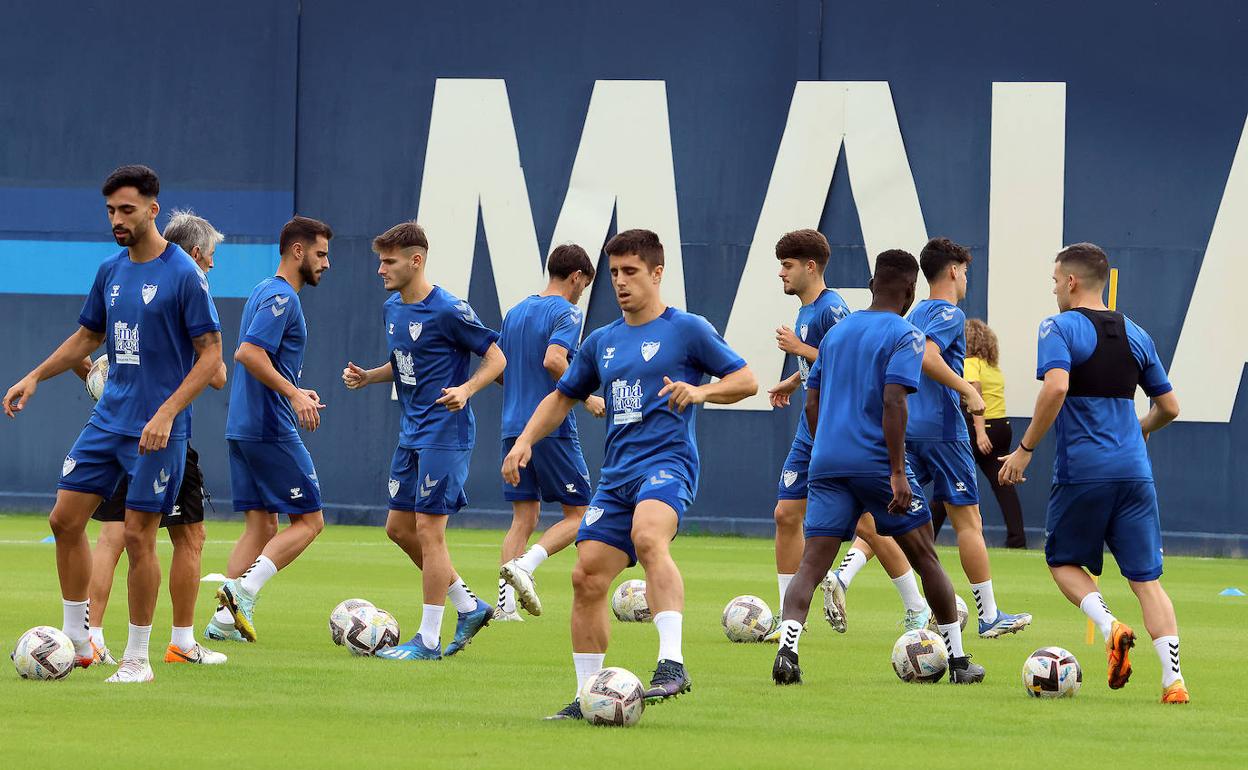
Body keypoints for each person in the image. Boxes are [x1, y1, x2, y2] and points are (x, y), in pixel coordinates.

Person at [502, 229, 757, 719]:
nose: (620, 282)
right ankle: (586, 697)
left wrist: (700, 393)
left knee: (648, 536)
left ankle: (672, 663)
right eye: (614, 273)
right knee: (586, 575)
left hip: (667, 466)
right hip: (616, 477)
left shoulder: (688, 329)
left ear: (657, 273)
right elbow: (562, 397)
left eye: (631, 272)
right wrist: (524, 441)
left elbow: (745, 379)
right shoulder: (602, 341)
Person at [4, 165, 223, 683]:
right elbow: (87, 338)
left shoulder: (184, 274)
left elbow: (211, 356)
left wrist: (167, 413)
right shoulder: (110, 271)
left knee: (139, 537)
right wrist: (35, 376)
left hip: (158, 430)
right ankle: (79, 641)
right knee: (64, 520)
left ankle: (137, 659)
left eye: (127, 210)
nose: (117, 220)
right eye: (110, 211)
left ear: (152, 209)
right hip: (109, 420)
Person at [770, 249, 983, 686]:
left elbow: (812, 399)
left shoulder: (836, 334)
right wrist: (898, 472)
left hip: (827, 463)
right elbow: (893, 401)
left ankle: (787, 651)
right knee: (925, 557)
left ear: (871, 286)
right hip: (876, 466)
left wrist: (825, 445)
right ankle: (959, 662)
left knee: (811, 564)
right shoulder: (904, 334)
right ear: (909, 291)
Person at [999, 242, 1188, 704]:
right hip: (1135, 475)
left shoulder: (1059, 327)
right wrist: (1139, 430)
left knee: (1061, 561)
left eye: (1053, 281)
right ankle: (1173, 683)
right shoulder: (1137, 333)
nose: (1053, 290)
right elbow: (1170, 408)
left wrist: (1024, 449)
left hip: (1084, 471)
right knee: (1147, 581)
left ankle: (1110, 626)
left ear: (1070, 282)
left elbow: (1057, 386)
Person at [342, 221, 504, 660]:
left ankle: (428, 641)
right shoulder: (392, 309)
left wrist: (467, 390)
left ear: (416, 261)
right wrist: (370, 376)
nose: (381, 270)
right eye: (380, 261)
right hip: (411, 431)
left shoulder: (450, 309)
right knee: (398, 528)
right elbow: (405, 363)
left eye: (389, 261)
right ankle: (469, 606)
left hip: (445, 433)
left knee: (430, 532)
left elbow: (497, 356)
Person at [763, 230, 928, 639]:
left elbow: (845, 359)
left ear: (810, 267)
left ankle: (916, 606)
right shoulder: (806, 311)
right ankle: (788, 620)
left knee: (869, 525)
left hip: (838, 430)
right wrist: (792, 381)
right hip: (811, 428)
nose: (781, 273)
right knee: (785, 515)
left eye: (787, 265)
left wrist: (800, 350)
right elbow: (819, 371)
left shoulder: (832, 308)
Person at [81, 210, 229, 665]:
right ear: (198, 254)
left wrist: (98, 377)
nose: (212, 267)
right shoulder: (187, 287)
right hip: (163, 435)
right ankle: (180, 642)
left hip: (116, 423)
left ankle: (90, 638)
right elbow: (219, 374)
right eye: (212, 257)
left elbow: (88, 344)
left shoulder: (125, 280)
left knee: (112, 536)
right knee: (188, 536)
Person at [204, 216, 333, 644]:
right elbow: (248, 353)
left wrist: (297, 388)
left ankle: (222, 623)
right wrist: (293, 396)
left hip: (242, 427)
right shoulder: (283, 297)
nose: (326, 263)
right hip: (268, 427)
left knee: (260, 528)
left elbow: (264, 360)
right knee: (310, 522)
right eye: (321, 254)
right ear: (298, 251)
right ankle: (243, 591)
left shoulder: (263, 289)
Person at [904, 237, 1030, 638]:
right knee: (969, 521)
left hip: (908, 427)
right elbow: (927, 355)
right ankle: (989, 615)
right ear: (955, 270)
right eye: (966, 272)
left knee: (899, 516)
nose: (966, 279)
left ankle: (848, 574)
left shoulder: (913, 313)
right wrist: (968, 390)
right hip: (943, 431)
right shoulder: (948, 312)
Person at [495, 244, 605, 621]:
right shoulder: (567, 312)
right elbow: (555, 360)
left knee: (523, 518)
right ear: (576, 277)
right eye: (584, 285)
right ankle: (526, 565)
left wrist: (518, 391)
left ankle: (506, 606)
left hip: (512, 428)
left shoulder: (515, 312)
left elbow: (498, 369)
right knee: (580, 514)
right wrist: (587, 397)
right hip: (550, 428)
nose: (581, 293)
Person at [931, 318, 1026, 548]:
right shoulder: (992, 367)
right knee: (1001, 482)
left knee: (950, 476)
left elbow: (975, 391)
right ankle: (1017, 537)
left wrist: (980, 432)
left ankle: (927, 535)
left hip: (982, 427)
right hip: (1003, 426)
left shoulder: (971, 362)